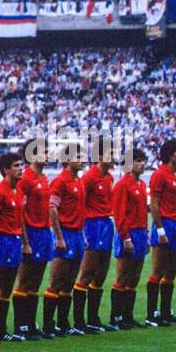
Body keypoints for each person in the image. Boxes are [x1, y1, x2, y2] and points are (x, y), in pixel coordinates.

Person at [13, 138, 54, 339]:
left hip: (44, 232)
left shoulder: (44, 178)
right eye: (43, 151)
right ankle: (20, 325)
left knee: (36, 281)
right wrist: (25, 241)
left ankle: (30, 323)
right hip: (31, 232)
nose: (47, 155)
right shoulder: (25, 179)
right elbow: (20, 211)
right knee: (25, 280)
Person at [74, 142, 117, 333]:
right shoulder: (89, 177)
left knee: (101, 273)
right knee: (87, 272)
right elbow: (79, 204)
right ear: (100, 157)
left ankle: (93, 318)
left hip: (106, 225)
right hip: (92, 226)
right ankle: (78, 320)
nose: (115, 156)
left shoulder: (109, 177)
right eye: (111, 153)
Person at [44, 146, 87, 336]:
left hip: (77, 234)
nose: (83, 159)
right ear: (68, 160)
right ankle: (48, 324)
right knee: (56, 280)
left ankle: (63, 323)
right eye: (79, 156)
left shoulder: (78, 181)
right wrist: (59, 236)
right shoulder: (61, 181)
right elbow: (52, 209)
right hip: (65, 233)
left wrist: (83, 235)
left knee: (69, 281)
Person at [145, 138, 176, 326]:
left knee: (171, 271)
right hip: (165, 224)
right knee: (158, 269)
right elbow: (153, 205)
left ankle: (165, 312)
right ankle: (151, 314)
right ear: (171, 154)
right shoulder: (159, 175)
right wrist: (160, 230)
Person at [0, 153, 27, 340]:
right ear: (6, 170)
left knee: (8, 287)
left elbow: (20, 219)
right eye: (16, 165)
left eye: (21, 164)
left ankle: (1, 330)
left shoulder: (18, 190)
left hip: (15, 241)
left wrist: (25, 242)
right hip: (3, 241)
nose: (21, 168)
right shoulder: (0, 191)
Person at [109, 147, 150, 329]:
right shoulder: (122, 185)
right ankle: (115, 317)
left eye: (143, 161)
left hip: (141, 233)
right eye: (138, 161)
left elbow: (142, 213)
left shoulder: (142, 185)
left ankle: (128, 316)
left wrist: (147, 235)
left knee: (135, 276)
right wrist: (126, 237)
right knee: (123, 275)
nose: (142, 164)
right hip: (128, 234)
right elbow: (119, 214)